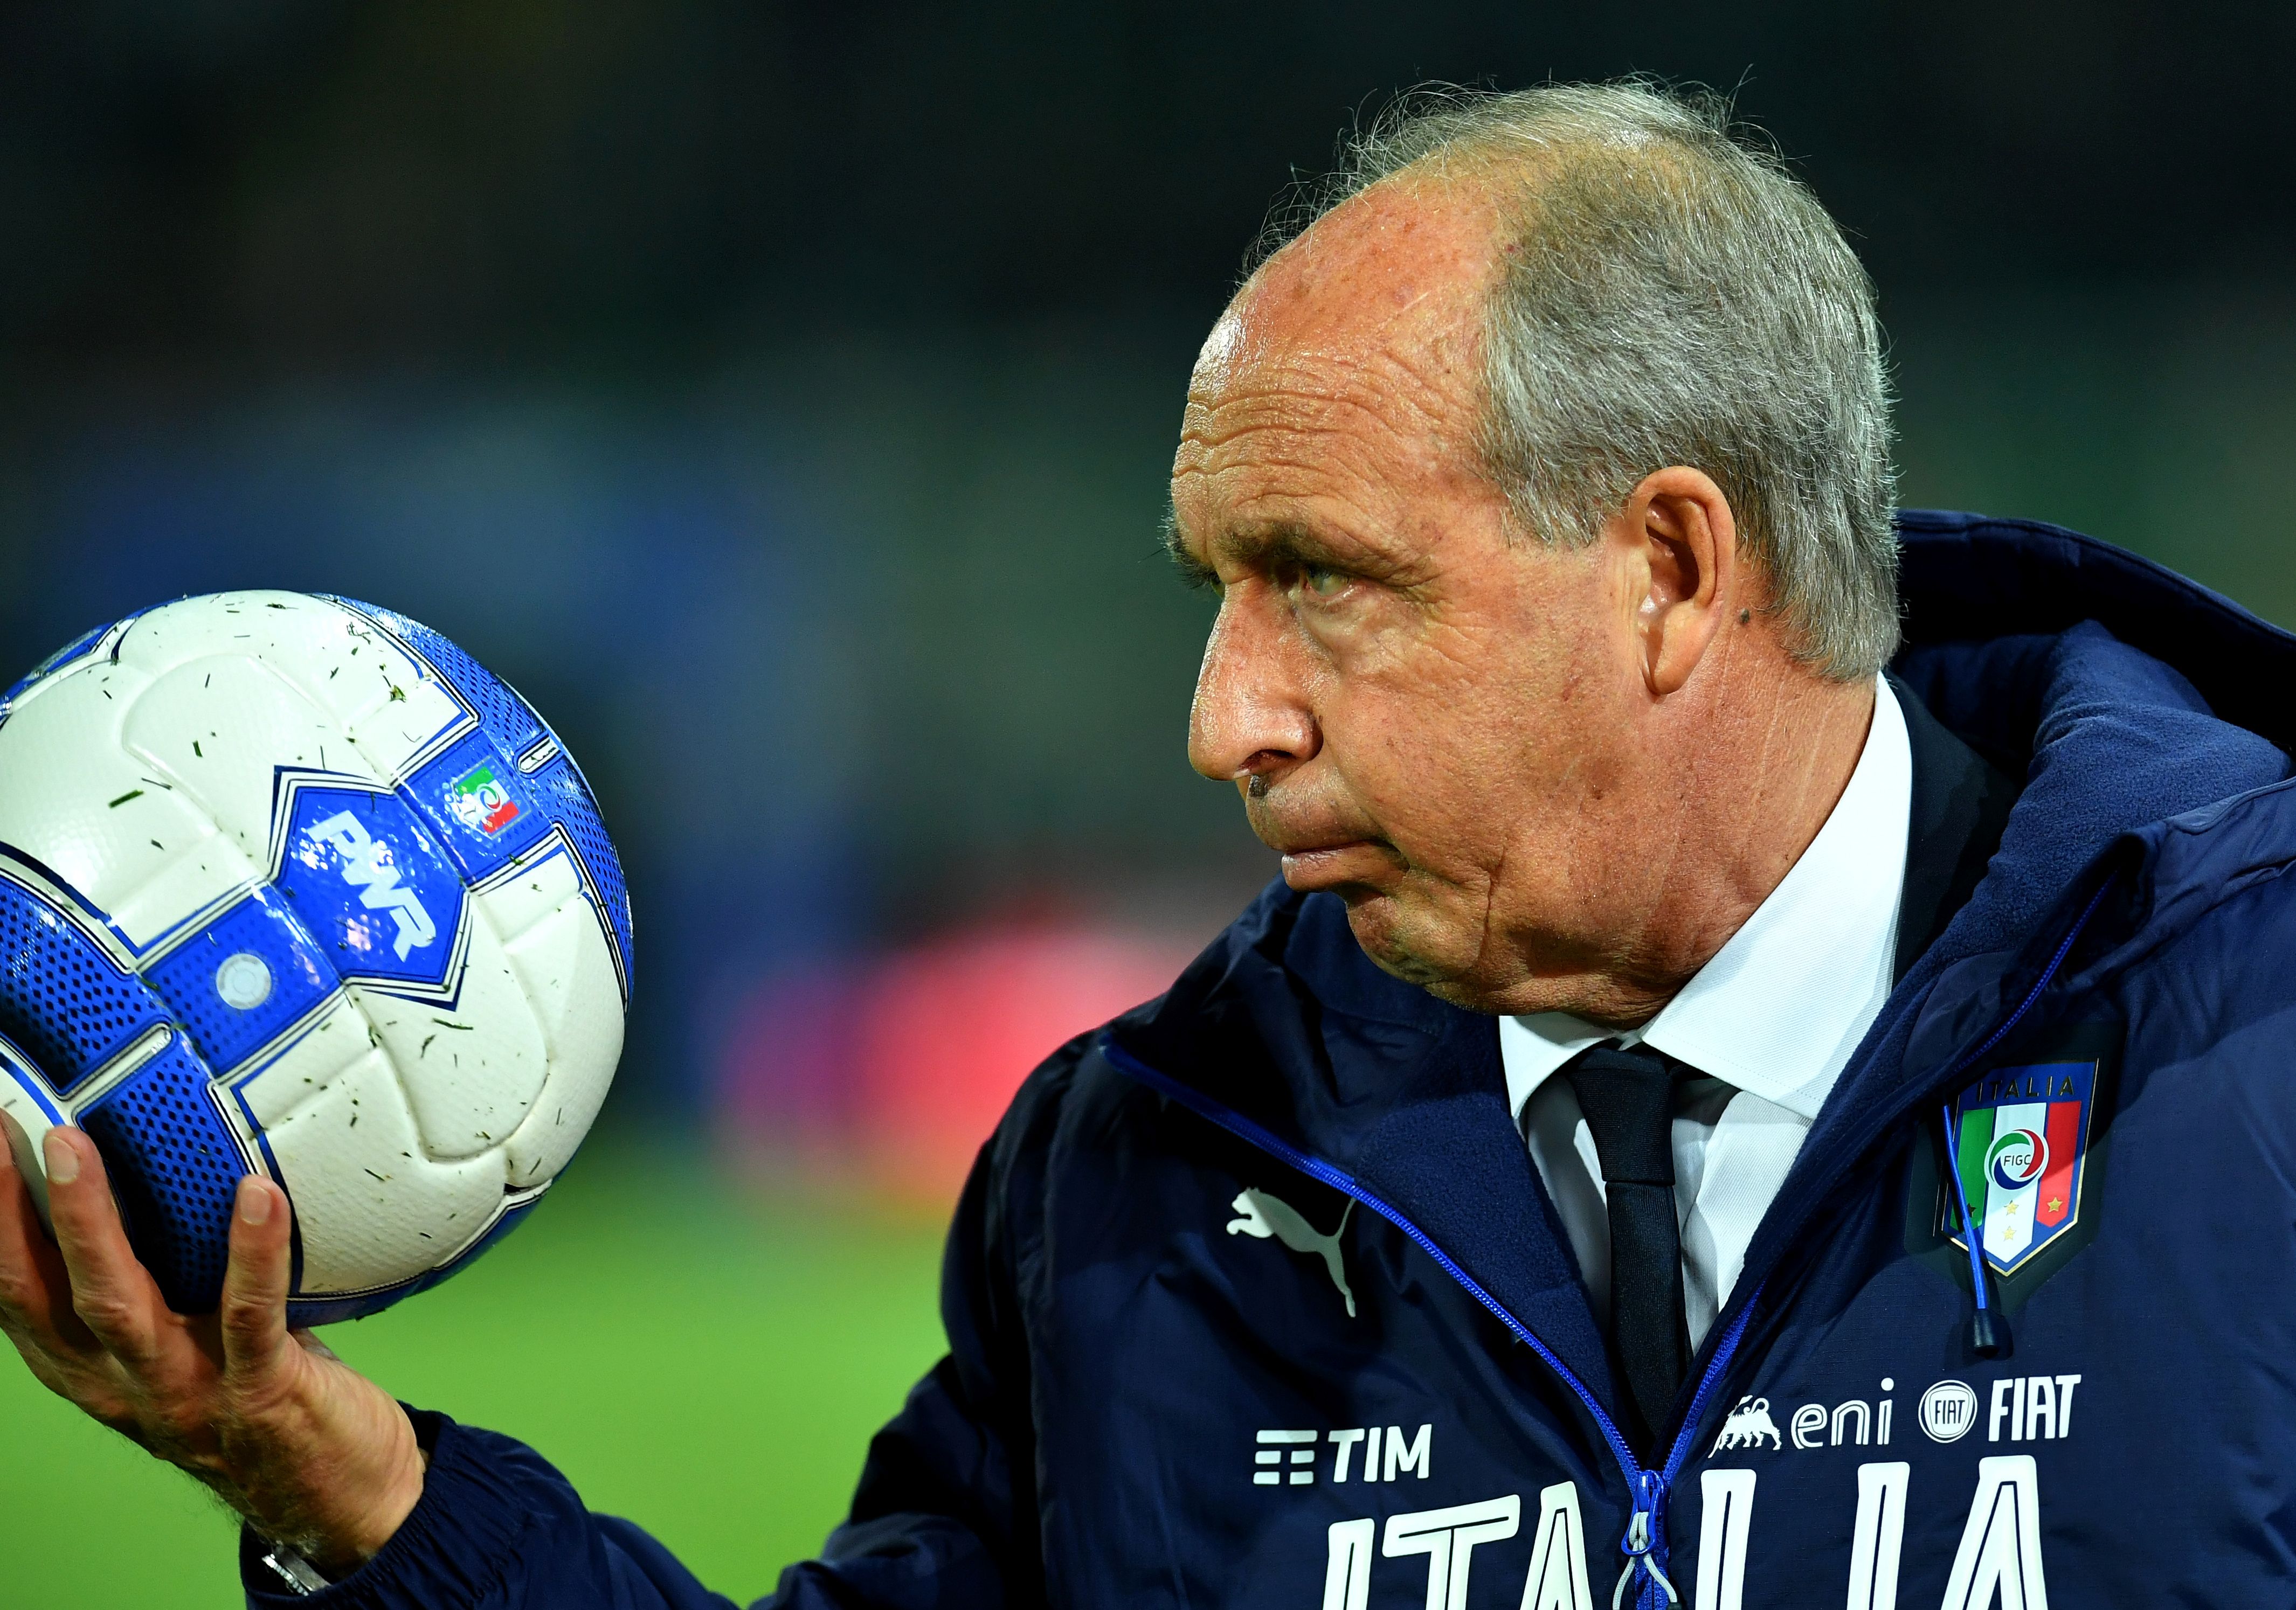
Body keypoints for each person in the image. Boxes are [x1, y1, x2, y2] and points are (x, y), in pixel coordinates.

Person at [4, 77, 2294, 1609]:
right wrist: (352, 1494)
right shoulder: (1147, 1179)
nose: (1226, 716)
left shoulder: (2254, 1039)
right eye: (1212, 586)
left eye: (1330, 583)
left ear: (1674, 573)